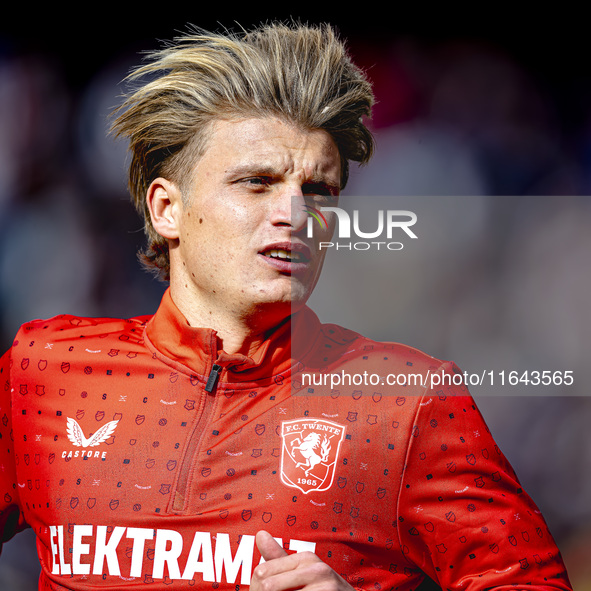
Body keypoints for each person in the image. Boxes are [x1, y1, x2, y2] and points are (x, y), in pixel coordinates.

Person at [0, 22, 572, 591]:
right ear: (166, 209)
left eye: (319, 191)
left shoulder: (406, 401)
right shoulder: (44, 371)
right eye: (257, 182)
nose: (296, 214)